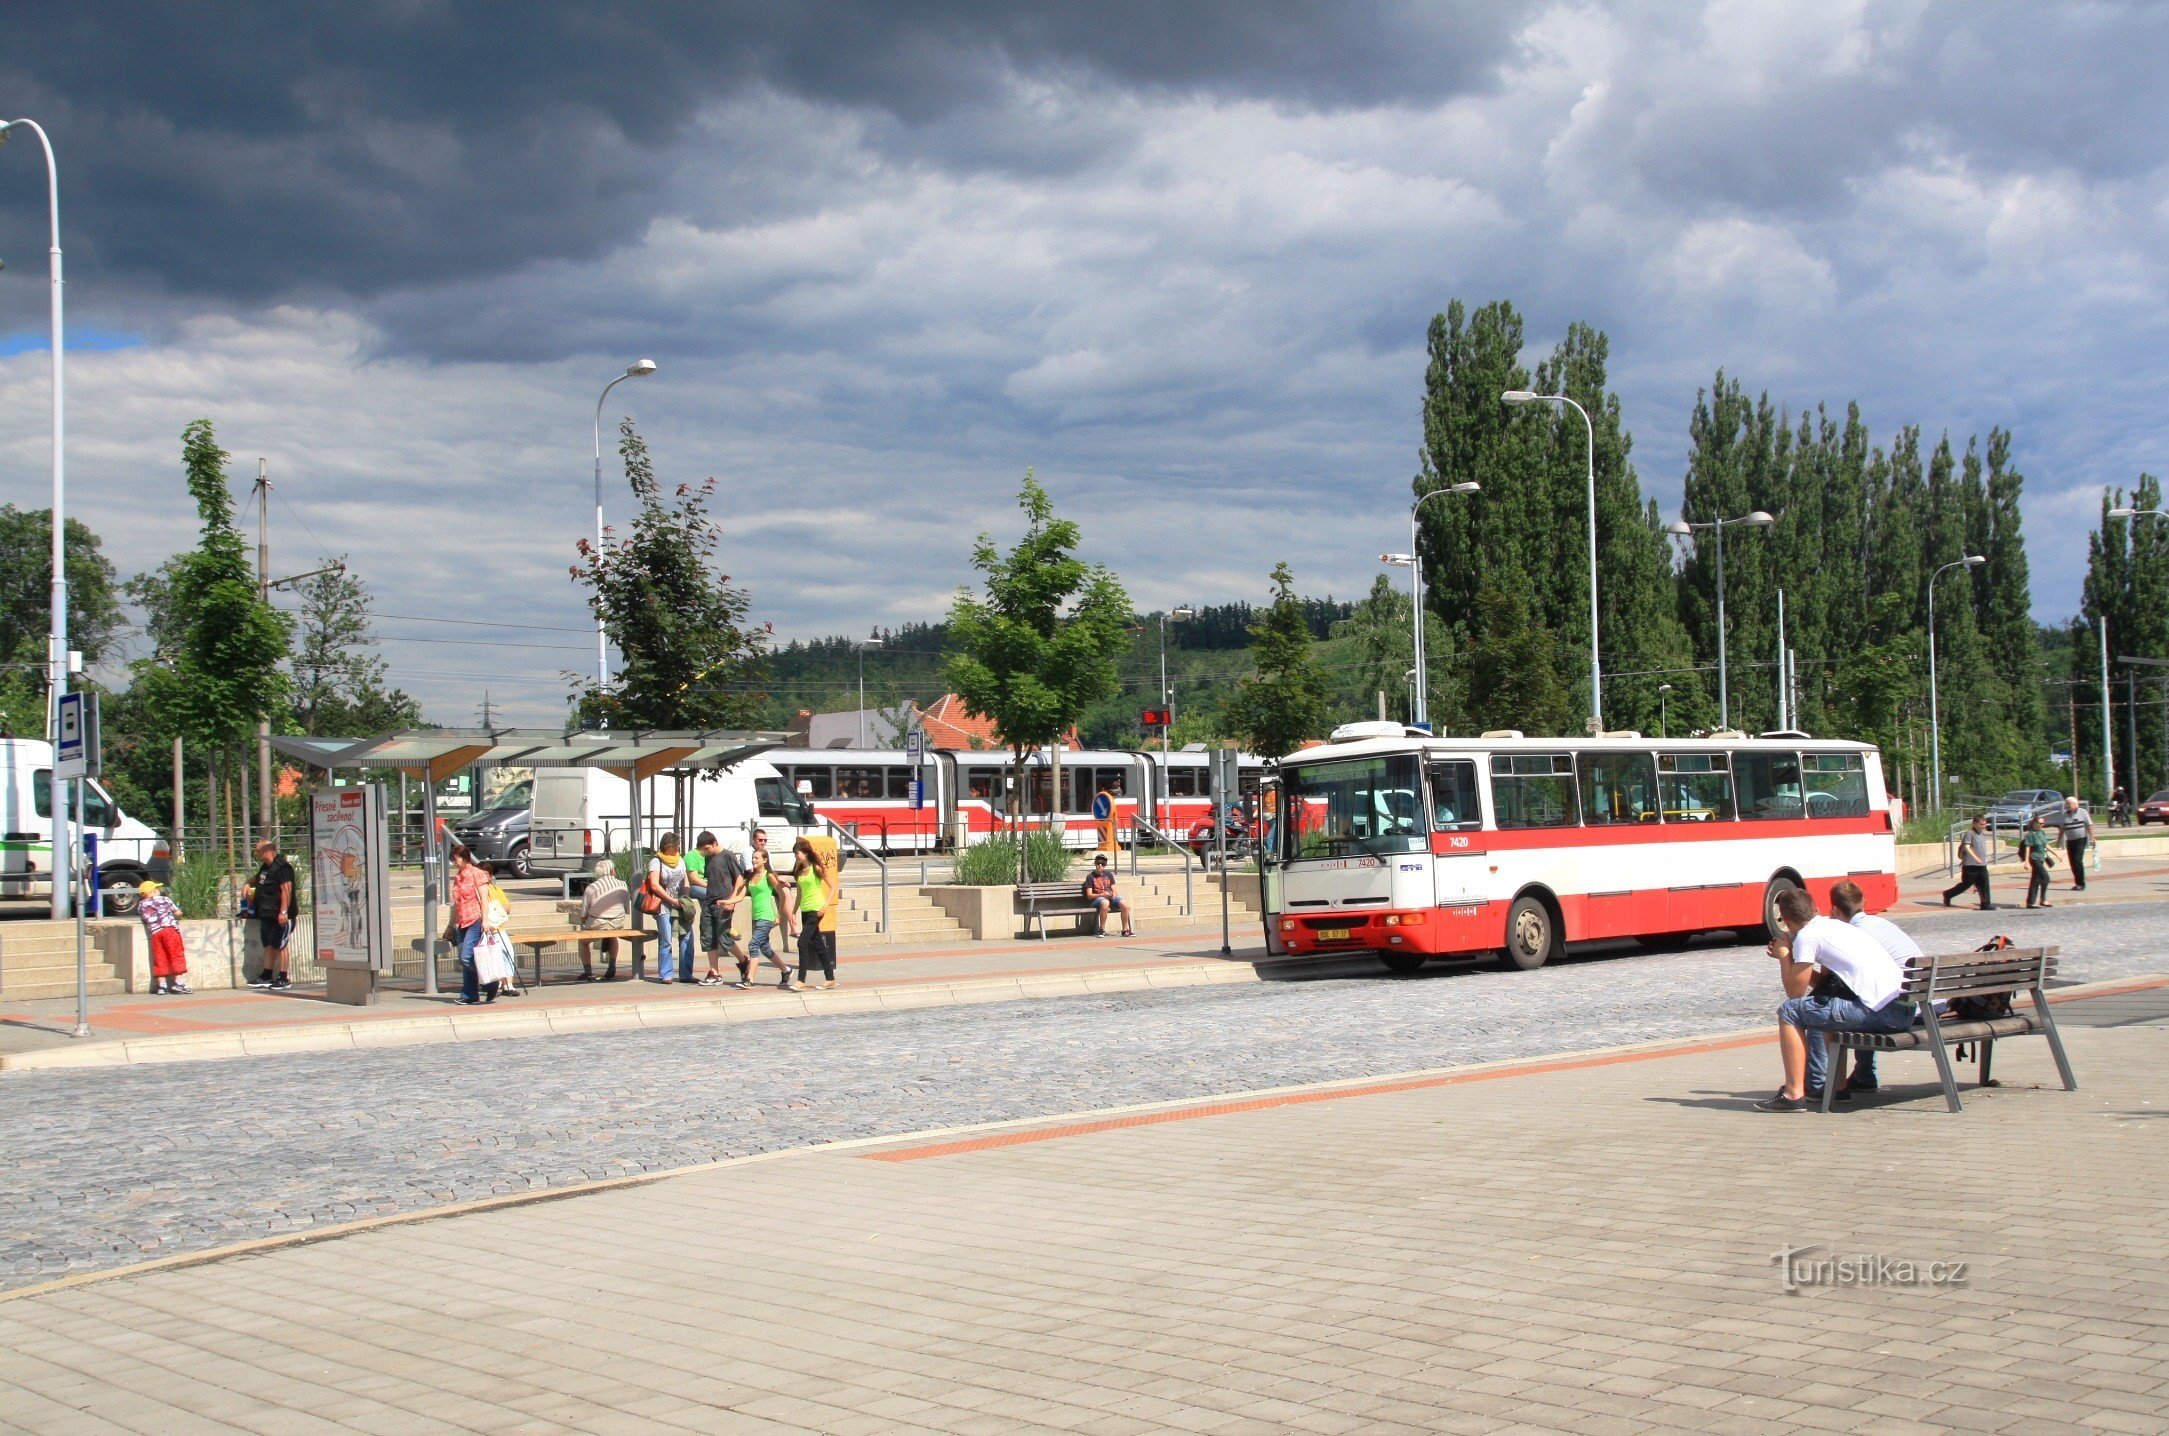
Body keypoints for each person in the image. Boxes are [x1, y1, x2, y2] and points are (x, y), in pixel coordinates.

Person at [1757, 887, 1913, 1111]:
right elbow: (1823, 985)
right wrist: (1794, 957)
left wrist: (1784, 957)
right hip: (1902, 1009)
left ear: (1786, 921)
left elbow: (1794, 992)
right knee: (1829, 1006)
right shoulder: (1836, 926)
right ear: (1816, 909)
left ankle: (1793, 1094)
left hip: (1880, 1012)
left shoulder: (1806, 937)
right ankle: (1837, 1088)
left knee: (1789, 1011)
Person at [1827, 879, 1924, 1098]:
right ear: (1863, 901)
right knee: (1869, 998)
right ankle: (1863, 1075)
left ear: (1834, 909)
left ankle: (1833, 1081)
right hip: (1928, 1001)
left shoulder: (1854, 934)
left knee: (1845, 1006)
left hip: (1909, 1010)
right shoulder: (1882, 924)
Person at [694, 831, 748, 986]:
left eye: (706, 848)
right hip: (709, 902)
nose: (705, 852)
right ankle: (714, 972)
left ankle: (743, 961)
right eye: (702, 850)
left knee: (724, 937)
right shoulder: (709, 858)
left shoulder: (727, 856)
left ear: (715, 843)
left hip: (724, 903)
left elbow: (739, 878)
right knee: (708, 937)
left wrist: (732, 900)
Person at [243, 839, 297, 990]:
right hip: (267, 914)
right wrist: (248, 883)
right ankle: (266, 975)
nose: (256, 854)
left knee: (281, 945)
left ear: (267, 851)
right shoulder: (266, 867)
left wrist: (283, 912)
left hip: (281, 915)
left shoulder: (282, 867)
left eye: (258, 851)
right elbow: (257, 878)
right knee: (268, 944)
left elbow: (287, 890)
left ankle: (284, 978)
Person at [449, 843, 498, 1005]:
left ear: (464, 858)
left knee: (466, 957)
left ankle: (490, 983)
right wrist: (451, 925)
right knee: (464, 957)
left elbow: (484, 898)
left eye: (455, 859)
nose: (454, 863)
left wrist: (485, 920)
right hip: (462, 921)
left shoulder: (477, 874)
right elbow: (455, 903)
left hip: (476, 919)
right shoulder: (458, 877)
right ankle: (470, 994)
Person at [744, 842, 798, 990]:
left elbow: (782, 894)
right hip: (756, 916)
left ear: (765, 860)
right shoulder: (750, 876)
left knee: (753, 944)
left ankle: (750, 979)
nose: (754, 860)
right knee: (765, 948)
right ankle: (786, 970)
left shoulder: (769, 876)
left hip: (767, 916)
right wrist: (727, 901)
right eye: (753, 858)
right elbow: (740, 891)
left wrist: (779, 916)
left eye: (757, 858)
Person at [643, 835, 694, 983]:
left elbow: (685, 881)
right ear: (667, 846)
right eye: (675, 846)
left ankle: (686, 974)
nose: (677, 848)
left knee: (687, 937)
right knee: (666, 939)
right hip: (663, 905)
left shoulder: (680, 860)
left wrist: (686, 898)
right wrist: (671, 900)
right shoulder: (656, 861)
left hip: (680, 904)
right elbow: (654, 884)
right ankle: (666, 974)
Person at [574, 857, 628, 980]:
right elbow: (626, 908)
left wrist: (583, 925)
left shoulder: (591, 888)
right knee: (613, 935)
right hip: (617, 922)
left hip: (597, 923)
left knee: (583, 941)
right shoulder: (623, 884)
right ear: (612, 870)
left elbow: (584, 913)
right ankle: (612, 965)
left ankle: (588, 971)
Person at [791, 837, 834, 987]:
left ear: (805, 853)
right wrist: (793, 911)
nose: (796, 856)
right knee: (818, 944)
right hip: (805, 909)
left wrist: (825, 905)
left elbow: (833, 886)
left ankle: (801, 980)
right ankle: (830, 978)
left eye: (797, 853)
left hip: (816, 909)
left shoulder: (816, 868)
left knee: (802, 942)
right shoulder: (800, 871)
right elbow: (800, 894)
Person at [138, 879, 190, 995]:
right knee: (176, 954)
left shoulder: (142, 905)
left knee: (160, 956)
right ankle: (179, 983)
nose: (158, 890)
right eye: (156, 889)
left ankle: (162, 986)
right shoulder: (165, 899)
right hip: (169, 930)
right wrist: (178, 914)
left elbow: (143, 917)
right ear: (153, 891)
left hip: (155, 933)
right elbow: (177, 912)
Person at [1941, 815, 1995, 910]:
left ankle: (1985, 904)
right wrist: (1976, 858)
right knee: (1965, 885)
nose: (1983, 826)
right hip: (1970, 865)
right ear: (1974, 823)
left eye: (1984, 824)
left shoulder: (1982, 834)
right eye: (1981, 824)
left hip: (1981, 865)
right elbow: (1966, 846)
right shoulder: (1969, 833)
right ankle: (1948, 894)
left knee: (1984, 884)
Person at [1081, 853, 1134, 937]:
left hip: (1110, 898)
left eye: (1102, 864)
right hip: (1097, 899)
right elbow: (1089, 895)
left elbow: (1115, 889)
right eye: (1098, 863)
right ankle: (1101, 929)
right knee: (1105, 902)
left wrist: (1114, 894)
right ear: (1095, 864)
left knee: (1124, 904)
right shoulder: (1090, 877)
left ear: (1105, 865)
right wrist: (1102, 894)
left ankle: (1125, 930)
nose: (1100, 865)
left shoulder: (1108, 874)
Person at [2017, 816, 2056, 909]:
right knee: (2046, 878)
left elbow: (2045, 845)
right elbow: (2027, 848)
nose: (2042, 825)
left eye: (2043, 823)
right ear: (2034, 823)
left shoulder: (2042, 832)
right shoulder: (2030, 834)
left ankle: (2030, 902)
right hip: (2034, 859)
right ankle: (2043, 900)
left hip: (2041, 858)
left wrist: (2056, 854)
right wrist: (2026, 862)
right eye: (2040, 823)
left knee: (2036, 880)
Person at [2059, 795, 2093, 891]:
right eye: (2066, 804)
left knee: (2077, 861)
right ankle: (2077, 882)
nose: (2067, 806)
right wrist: (2059, 840)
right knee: (2072, 862)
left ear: (2074, 804)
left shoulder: (2082, 812)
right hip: (2070, 841)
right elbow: (2062, 828)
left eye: (2068, 804)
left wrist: (2092, 838)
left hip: (2080, 840)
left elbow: (2089, 825)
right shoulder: (2065, 815)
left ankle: (2081, 884)